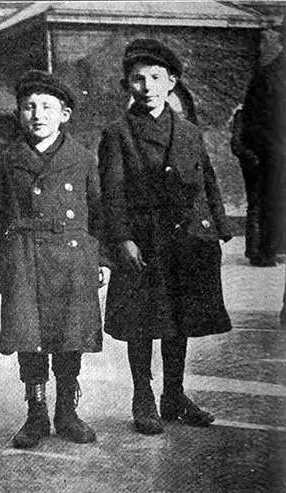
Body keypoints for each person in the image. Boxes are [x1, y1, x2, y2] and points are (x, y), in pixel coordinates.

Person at [98, 39, 233, 435]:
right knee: (142, 322)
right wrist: (123, 239)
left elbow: (207, 180)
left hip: (187, 239)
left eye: (156, 77)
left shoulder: (189, 131)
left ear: (171, 81)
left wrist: (219, 226)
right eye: (137, 79)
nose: (148, 86)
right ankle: (143, 397)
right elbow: (112, 192)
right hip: (144, 240)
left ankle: (174, 395)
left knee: (180, 320)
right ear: (128, 86)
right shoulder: (117, 133)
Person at [0, 69, 109, 449]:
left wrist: (103, 258)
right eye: (29, 107)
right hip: (23, 257)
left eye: (47, 107)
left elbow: (99, 213)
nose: (38, 114)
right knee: (29, 339)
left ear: (64, 114)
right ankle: (36, 414)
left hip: (72, 259)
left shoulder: (82, 159)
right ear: (19, 113)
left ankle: (67, 411)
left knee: (70, 339)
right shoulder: (9, 160)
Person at [239, 16, 286, 266]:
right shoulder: (267, 78)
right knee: (271, 202)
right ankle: (265, 251)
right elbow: (251, 124)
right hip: (275, 156)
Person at [230, 104, 265, 265]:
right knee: (256, 206)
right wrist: (254, 160)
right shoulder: (243, 113)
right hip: (255, 168)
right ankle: (255, 252)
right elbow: (236, 144)